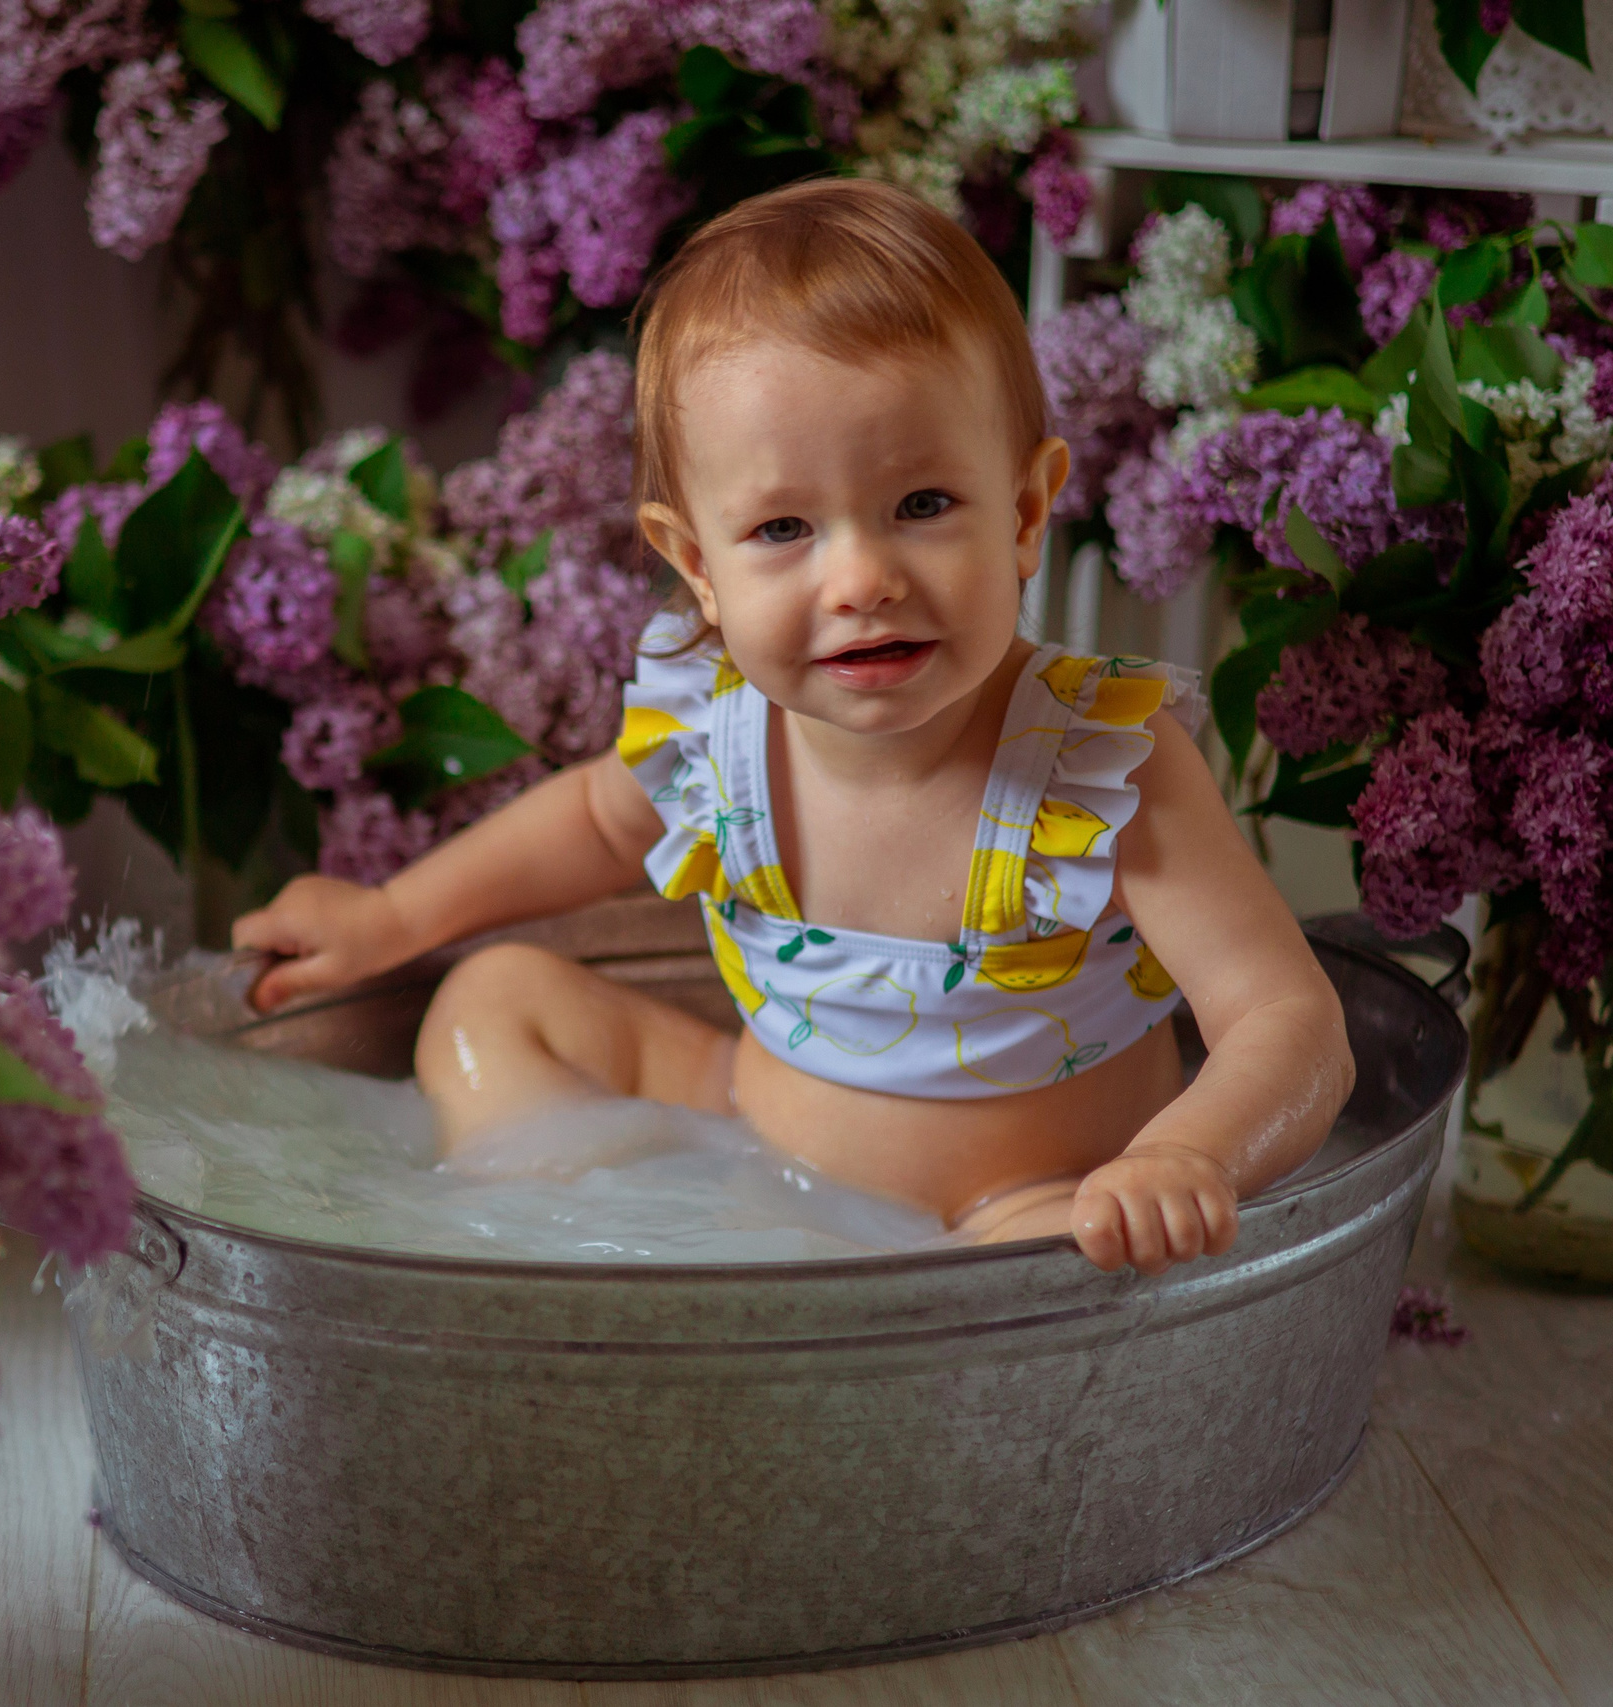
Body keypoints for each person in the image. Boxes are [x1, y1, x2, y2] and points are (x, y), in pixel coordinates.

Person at [232, 178, 1353, 1276]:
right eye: (781, 527)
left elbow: (1285, 1019)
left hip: (1014, 1207)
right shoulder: (716, 732)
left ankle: (794, 1294)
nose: (860, 578)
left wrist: (1178, 1159)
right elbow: (589, 820)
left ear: (1022, 512)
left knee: (1065, 1277)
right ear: (696, 567)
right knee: (490, 1002)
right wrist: (390, 917)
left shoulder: (1099, 768)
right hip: (746, 1129)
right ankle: (557, 1249)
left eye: (922, 506)